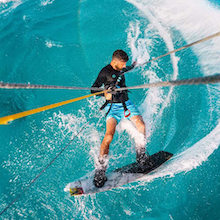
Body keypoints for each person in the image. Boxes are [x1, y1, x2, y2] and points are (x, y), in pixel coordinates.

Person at [91, 50, 149, 188]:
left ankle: (141, 156)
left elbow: (126, 69)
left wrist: (134, 65)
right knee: (109, 136)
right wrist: (104, 93)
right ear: (115, 61)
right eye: (123, 64)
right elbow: (93, 90)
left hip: (126, 104)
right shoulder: (104, 72)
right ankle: (100, 171)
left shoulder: (122, 69)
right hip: (113, 108)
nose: (124, 66)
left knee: (141, 125)